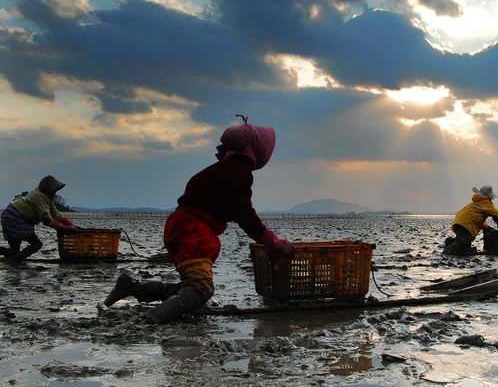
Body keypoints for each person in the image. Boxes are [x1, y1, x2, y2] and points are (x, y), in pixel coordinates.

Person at [104, 117, 296, 324]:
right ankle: (147, 322)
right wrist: (273, 241)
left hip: (182, 225)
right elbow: (245, 214)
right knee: (200, 290)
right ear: (257, 149)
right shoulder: (237, 171)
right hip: (192, 230)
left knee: (191, 287)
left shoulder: (225, 167)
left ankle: (133, 287)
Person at [1, 175, 78, 263]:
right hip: (16, 219)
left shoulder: (45, 198)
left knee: (14, 251)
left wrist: (71, 225)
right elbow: (46, 219)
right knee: (36, 245)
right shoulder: (39, 197)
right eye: (53, 190)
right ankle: (13, 262)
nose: (54, 192)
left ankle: (11, 260)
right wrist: (64, 228)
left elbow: (56, 214)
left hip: (11, 217)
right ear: (47, 189)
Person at [443, 185, 498, 255]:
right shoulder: (487, 204)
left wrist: (486, 227)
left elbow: (476, 219)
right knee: (461, 243)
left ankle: (449, 242)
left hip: (460, 221)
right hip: (467, 224)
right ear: (490, 196)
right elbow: (497, 216)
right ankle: (444, 255)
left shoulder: (476, 203)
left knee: (465, 243)